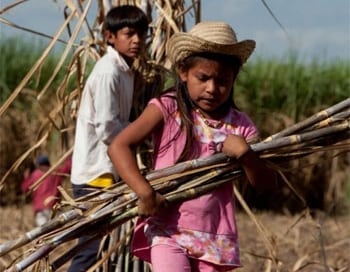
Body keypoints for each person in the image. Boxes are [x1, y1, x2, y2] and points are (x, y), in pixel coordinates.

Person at [108, 21, 278, 272]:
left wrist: (246, 155)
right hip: (168, 229)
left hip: (215, 238)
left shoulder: (240, 126)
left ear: (234, 79)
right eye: (203, 77)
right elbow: (119, 145)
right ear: (183, 71)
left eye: (222, 81)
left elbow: (266, 185)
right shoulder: (167, 108)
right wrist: (144, 192)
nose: (212, 88)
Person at [68, 5, 149, 272]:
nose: (137, 40)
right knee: (91, 250)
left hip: (106, 170)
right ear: (109, 36)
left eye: (141, 34)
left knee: (102, 249)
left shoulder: (125, 70)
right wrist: (142, 132)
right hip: (96, 174)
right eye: (129, 33)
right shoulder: (108, 73)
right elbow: (107, 129)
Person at [21, 155, 72, 227]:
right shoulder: (56, 172)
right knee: (59, 232)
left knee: (45, 233)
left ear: (38, 165)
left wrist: (26, 177)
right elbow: (68, 167)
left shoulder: (35, 175)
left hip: (41, 210)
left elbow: (25, 188)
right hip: (55, 208)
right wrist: (68, 158)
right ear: (48, 163)